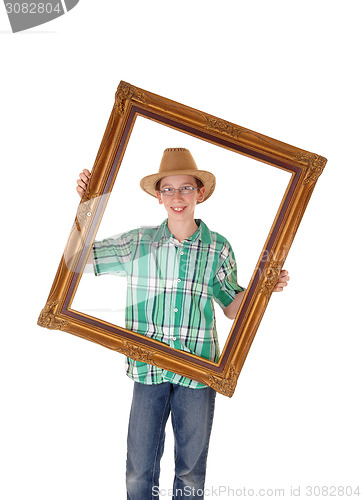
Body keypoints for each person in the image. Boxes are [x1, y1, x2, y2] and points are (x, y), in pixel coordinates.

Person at [76, 148, 289, 499]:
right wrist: (88, 204)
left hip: (199, 369)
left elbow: (233, 307)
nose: (178, 197)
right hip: (148, 370)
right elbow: (79, 259)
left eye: (186, 188)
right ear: (158, 196)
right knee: (138, 471)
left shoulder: (218, 248)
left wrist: (263, 290)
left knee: (190, 473)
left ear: (200, 193)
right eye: (169, 189)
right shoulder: (137, 244)